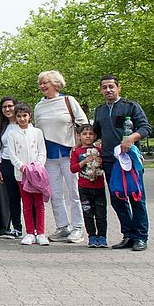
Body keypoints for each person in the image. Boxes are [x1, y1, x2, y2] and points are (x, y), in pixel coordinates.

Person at [92, 75, 151, 251]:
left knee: (136, 197)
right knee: (118, 199)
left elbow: (145, 127)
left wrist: (131, 138)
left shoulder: (130, 106)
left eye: (111, 86)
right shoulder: (100, 110)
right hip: (110, 161)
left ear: (119, 88)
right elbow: (96, 133)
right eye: (104, 87)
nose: (108, 90)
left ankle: (141, 237)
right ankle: (128, 235)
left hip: (130, 160)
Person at [33, 70, 88, 244]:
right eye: (40, 83)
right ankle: (62, 226)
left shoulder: (68, 101)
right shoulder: (39, 106)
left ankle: (78, 227)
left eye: (45, 82)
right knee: (55, 193)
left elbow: (83, 124)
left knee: (75, 192)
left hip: (69, 154)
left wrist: (80, 146)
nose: (42, 86)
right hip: (49, 157)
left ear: (55, 83)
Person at [7, 103, 49, 246]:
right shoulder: (12, 134)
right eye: (19, 116)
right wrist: (22, 167)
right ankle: (30, 232)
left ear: (29, 116)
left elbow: (42, 151)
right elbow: (12, 154)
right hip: (22, 174)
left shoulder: (37, 132)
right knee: (26, 203)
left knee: (38, 203)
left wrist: (37, 165)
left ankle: (41, 232)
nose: (22, 119)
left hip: (36, 173)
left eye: (24, 116)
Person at [70, 124, 108, 248]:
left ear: (95, 136)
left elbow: (105, 167)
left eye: (90, 134)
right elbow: (73, 169)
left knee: (101, 214)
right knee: (88, 214)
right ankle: (91, 236)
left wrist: (100, 163)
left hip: (99, 188)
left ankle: (102, 236)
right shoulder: (76, 152)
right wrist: (84, 161)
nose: (88, 136)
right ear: (79, 136)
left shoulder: (99, 151)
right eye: (85, 134)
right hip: (84, 188)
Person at [0, 97, 23, 238]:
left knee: (29, 196)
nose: (7, 109)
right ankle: (17, 227)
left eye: (10, 106)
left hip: (23, 165)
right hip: (6, 164)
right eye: (4, 107)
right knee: (13, 197)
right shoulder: (2, 127)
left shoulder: (23, 124)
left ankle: (35, 228)